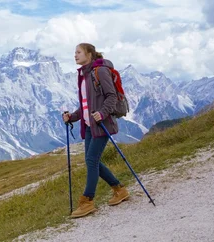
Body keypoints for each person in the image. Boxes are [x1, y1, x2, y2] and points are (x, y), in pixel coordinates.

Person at [62, 43, 129, 218]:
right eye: (74, 52)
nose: (75, 55)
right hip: (90, 124)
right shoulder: (85, 75)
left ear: (89, 54)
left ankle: (87, 201)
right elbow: (87, 105)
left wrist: (102, 113)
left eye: (78, 52)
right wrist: (73, 116)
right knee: (93, 161)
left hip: (102, 123)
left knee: (91, 160)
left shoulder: (101, 71)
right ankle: (119, 189)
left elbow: (111, 96)